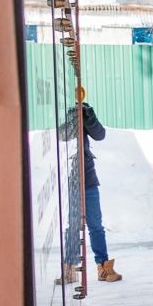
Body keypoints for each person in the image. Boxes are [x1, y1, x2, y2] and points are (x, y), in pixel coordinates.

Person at [61, 102, 123, 283]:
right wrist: (72, 118)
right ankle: (69, 270)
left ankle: (103, 269)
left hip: (88, 179)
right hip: (73, 182)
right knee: (72, 228)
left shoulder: (88, 120)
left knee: (96, 226)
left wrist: (90, 117)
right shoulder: (69, 124)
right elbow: (63, 136)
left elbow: (100, 135)